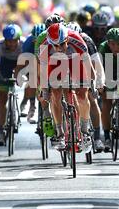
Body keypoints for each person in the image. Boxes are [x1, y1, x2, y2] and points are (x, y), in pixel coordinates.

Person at [37, 23, 95, 153]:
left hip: (76, 61)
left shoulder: (76, 40)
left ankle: (85, 131)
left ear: (67, 39)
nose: (59, 48)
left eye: (62, 44)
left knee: (82, 94)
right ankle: (60, 133)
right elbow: (43, 71)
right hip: (55, 64)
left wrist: (93, 82)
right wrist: (45, 89)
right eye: (55, 46)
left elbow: (88, 64)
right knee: (55, 95)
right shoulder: (45, 46)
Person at [67, 22, 106, 153]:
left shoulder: (87, 40)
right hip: (66, 66)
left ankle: (96, 138)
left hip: (84, 65)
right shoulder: (62, 41)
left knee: (91, 98)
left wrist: (98, 81)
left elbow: (96, 62)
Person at [0, 24, 25, 146]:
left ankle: (26, 104)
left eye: (14, 41)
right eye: (9, 41)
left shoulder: (24, 44)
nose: (12, 44)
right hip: (4, 65)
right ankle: (1, 132)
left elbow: (29, 62)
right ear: (5, 40)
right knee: (2, 97)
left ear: (19, 39)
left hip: (21, 63)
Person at [18, 23, 46, 124]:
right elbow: (23, 62)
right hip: (31, 62)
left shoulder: (49, 41)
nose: (38, 42)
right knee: (32, 80)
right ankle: (31, 106)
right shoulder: (28, 43)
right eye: (35, 40)